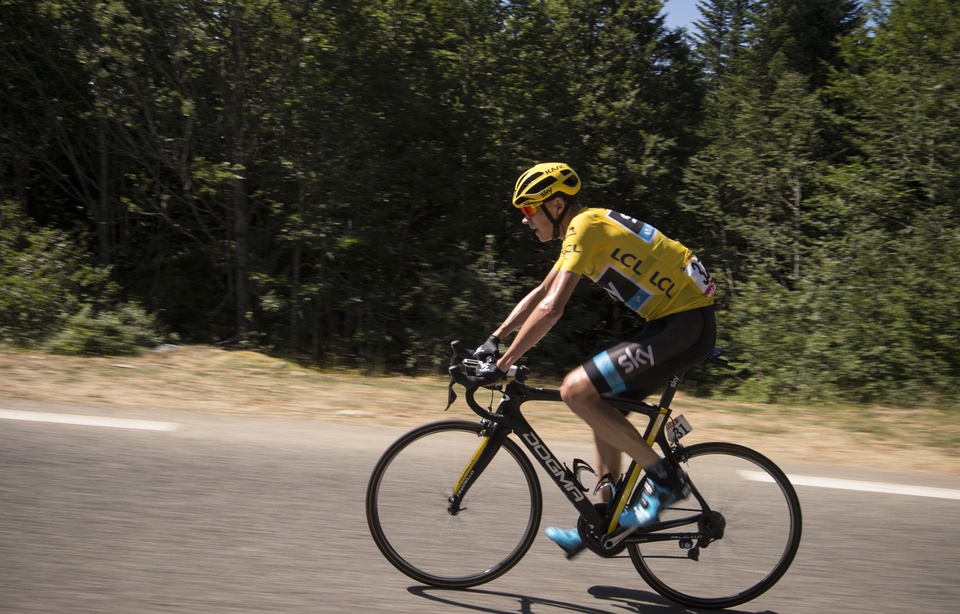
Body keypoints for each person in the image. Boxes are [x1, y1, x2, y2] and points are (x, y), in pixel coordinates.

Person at [471, 162, 717, 556]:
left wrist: (503, 363)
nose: (524, 220)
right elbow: (542, 290)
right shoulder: (584, 227)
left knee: (576, 390)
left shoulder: (584, 226)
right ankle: (603, 518)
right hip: (678, 324)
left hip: (683, 326)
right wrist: (493, 340)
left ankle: (666, 479)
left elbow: (553, 309)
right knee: (597, 401)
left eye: (529, 210)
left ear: (554, 204)